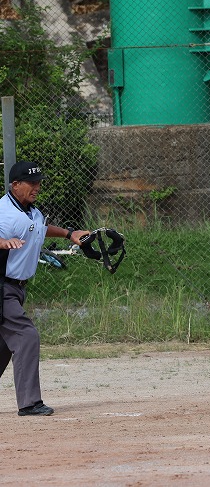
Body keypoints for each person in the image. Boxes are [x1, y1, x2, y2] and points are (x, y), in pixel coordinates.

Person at [0, 161, 90, 416]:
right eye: (32, 183)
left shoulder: (31, 211)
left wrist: (69, 234)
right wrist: (3, 242)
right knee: (26, 336)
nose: (37, 187)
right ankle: (29, 403)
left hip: (16, 289)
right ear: (15, 185)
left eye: (38, 182)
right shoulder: (4, 211)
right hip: (2, 288)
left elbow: (39, 229)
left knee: (4, 345)